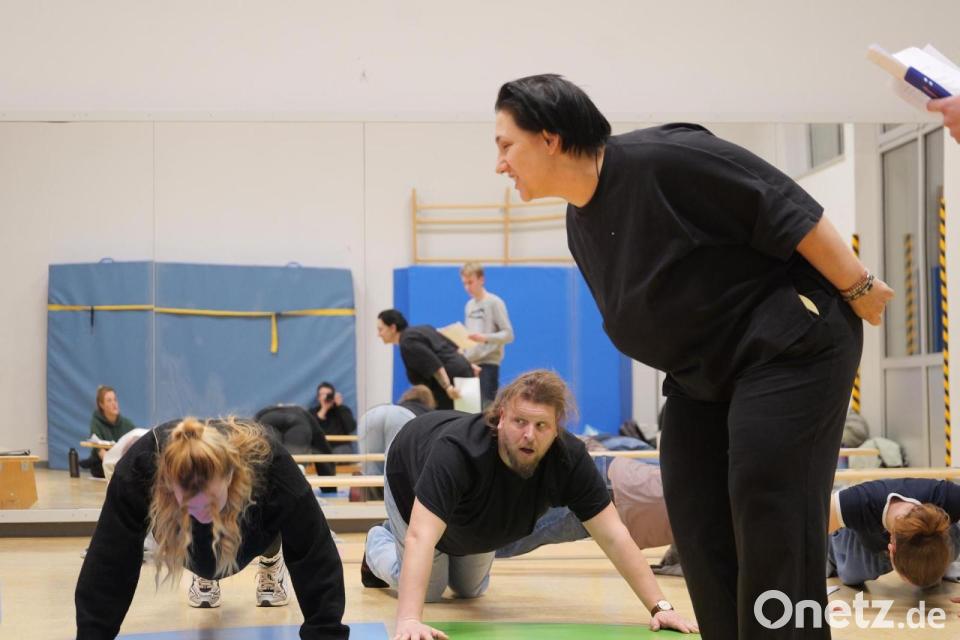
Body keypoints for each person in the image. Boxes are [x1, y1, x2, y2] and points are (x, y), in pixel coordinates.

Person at [493, 74, 894, 639]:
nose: (500, 164)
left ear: (550, 138)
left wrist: (857, 286)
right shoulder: (579, 223)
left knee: (768, 503)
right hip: (703, 372)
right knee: (695, 513)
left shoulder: (663, 160)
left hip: (792, 344)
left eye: (506, 145)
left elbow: (786, 206)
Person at [362, 370, 698, 639]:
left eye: (541, 426)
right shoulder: (457, 452)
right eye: (520, 422)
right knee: (431, 592)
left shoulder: (568, 459)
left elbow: (614, 536)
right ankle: (379, 542)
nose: (529, 435)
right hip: (410, 475)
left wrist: (661, 607)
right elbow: (421, 536)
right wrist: (408, 620)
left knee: (470, 590)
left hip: (473, 518)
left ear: (556, 429)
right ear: (501, 417)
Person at [75, 417, 348, 639]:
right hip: (178, 529)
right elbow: (109, 561)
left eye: (211, 504)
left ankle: (270, 558)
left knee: (282, 518)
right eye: (190, 505)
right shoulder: (140, 469)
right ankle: (202, 555)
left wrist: (326, 633)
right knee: (201, 547)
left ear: (229, 475)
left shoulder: (272, 466)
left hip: (252, 527)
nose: (202, 512)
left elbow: (315, 554)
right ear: (168, 484)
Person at [828, 477, 960, 587]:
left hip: (933, 530)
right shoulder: (855, 503)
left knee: (928, 577)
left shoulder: (950, 497)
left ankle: (934, 567)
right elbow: (816, 524)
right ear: (891, 548)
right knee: (851, 575)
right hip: (861, 533)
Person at [377, 308, 476, 411]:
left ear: (393, 328)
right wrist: (469, 365)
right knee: (469, 413)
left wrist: (448, 387)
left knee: (451, 417)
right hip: (464, 371)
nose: (379, 334)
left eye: (380, 329)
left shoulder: (407, 342)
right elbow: (454, 348)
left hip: (449, 384)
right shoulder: (424, 329)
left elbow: (434, 364)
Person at [460, 261, 514, 408]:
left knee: (487, 409)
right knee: (468, 409)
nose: (467, 287)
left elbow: (509, 334)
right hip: (470, 364)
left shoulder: (494, 302)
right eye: (464, 283)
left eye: (470, 282)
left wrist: (485, 337)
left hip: (488, 364)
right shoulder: (469, 305)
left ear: (481, 279)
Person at [358, 384, 436, 476]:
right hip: (402, 417)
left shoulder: (400, 406)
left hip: (372, 413)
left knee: (371, 468)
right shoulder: (428, 413)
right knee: (396, 468)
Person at [82, 385, 138, 478]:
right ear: (101, 405)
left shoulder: (126, 423)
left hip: (120, 462)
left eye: (115, 400)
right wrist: (116, 465)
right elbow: (101, 452)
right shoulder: (96, 423)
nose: (114, 403)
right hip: (102, 464)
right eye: (109, 400)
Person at [309, 381, 357, 454]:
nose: (326, 397)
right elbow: (311, 429)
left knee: (341, 451)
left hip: (340, 447)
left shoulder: (343, 410)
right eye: (323, 394)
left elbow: (351, 428)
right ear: (318, 398)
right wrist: (324, 409)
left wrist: (340, 406)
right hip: (320, 447)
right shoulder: (312, 412)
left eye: (329, 394)